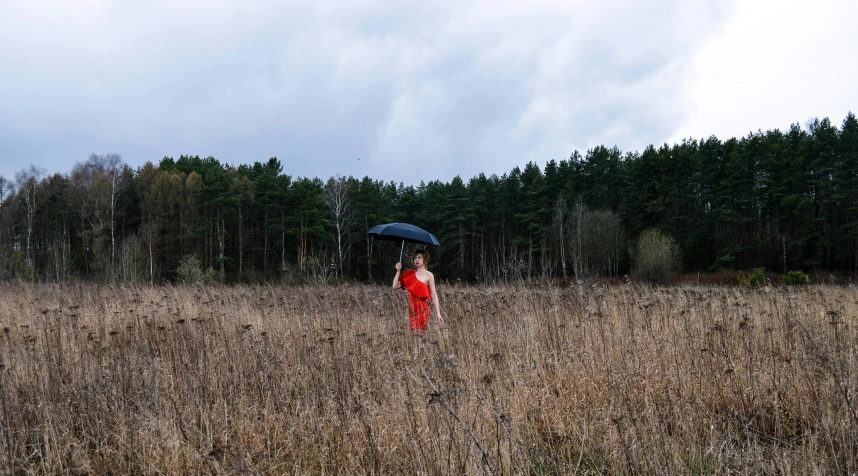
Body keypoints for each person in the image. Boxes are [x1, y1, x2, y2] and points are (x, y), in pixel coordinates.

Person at [392, 249, 444, 330]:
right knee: (414, 338)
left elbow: (433, 294)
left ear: (425, 260)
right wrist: (398, 271)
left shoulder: (429, 275)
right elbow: (394, 286)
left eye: (419, 257)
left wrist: (438, 313)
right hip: (412, 310)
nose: (417, 260)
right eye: (415, 258)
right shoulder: (410, 274)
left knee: (420, 335)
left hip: (423, 310)